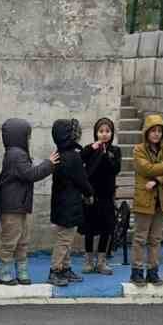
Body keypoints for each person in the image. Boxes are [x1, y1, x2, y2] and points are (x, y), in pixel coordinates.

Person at [0, 117, 57, 285]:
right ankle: (4, 272)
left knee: (22, 240)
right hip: (12, 206)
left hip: (20, 204)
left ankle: (21, 271)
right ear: (19, 135)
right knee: (10, 240)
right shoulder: (16, 154)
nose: (28, 139)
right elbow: (30, 174)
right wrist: (49, 164)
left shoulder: (16, 153)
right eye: (27, 135)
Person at [130, 115, 163, 286]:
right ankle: (136, 271)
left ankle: (152, 271)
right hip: (144, 200)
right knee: (140, 238)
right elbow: (146, 168)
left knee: (155, 239)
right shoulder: (138, 149)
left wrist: (158, 180)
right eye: (153, 130)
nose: (156, 134)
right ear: (147, 132)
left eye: (159, 131)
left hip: (161, 200)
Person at [48, 118, 95, 287]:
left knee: (64, 237)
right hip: (70, 204)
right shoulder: (73, 156)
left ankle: (64, 268)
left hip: (60, 204)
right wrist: (90, 193)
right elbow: (82, 180)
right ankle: (55, 270)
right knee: (64, 240)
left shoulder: (59, 154)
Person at [80, 118, 120, 275]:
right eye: (101, 131)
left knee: (106, 229)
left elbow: (115, 169)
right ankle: (89, 261)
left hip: (107, 196)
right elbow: (80, 159)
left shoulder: (115, 151)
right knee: (89, 229)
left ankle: (102, 262)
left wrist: (105, 155)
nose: (104, 134)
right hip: (91, 195)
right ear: (96, 133)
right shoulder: (90, 149)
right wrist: (92, 148)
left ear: (112, 133)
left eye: (107, 131)